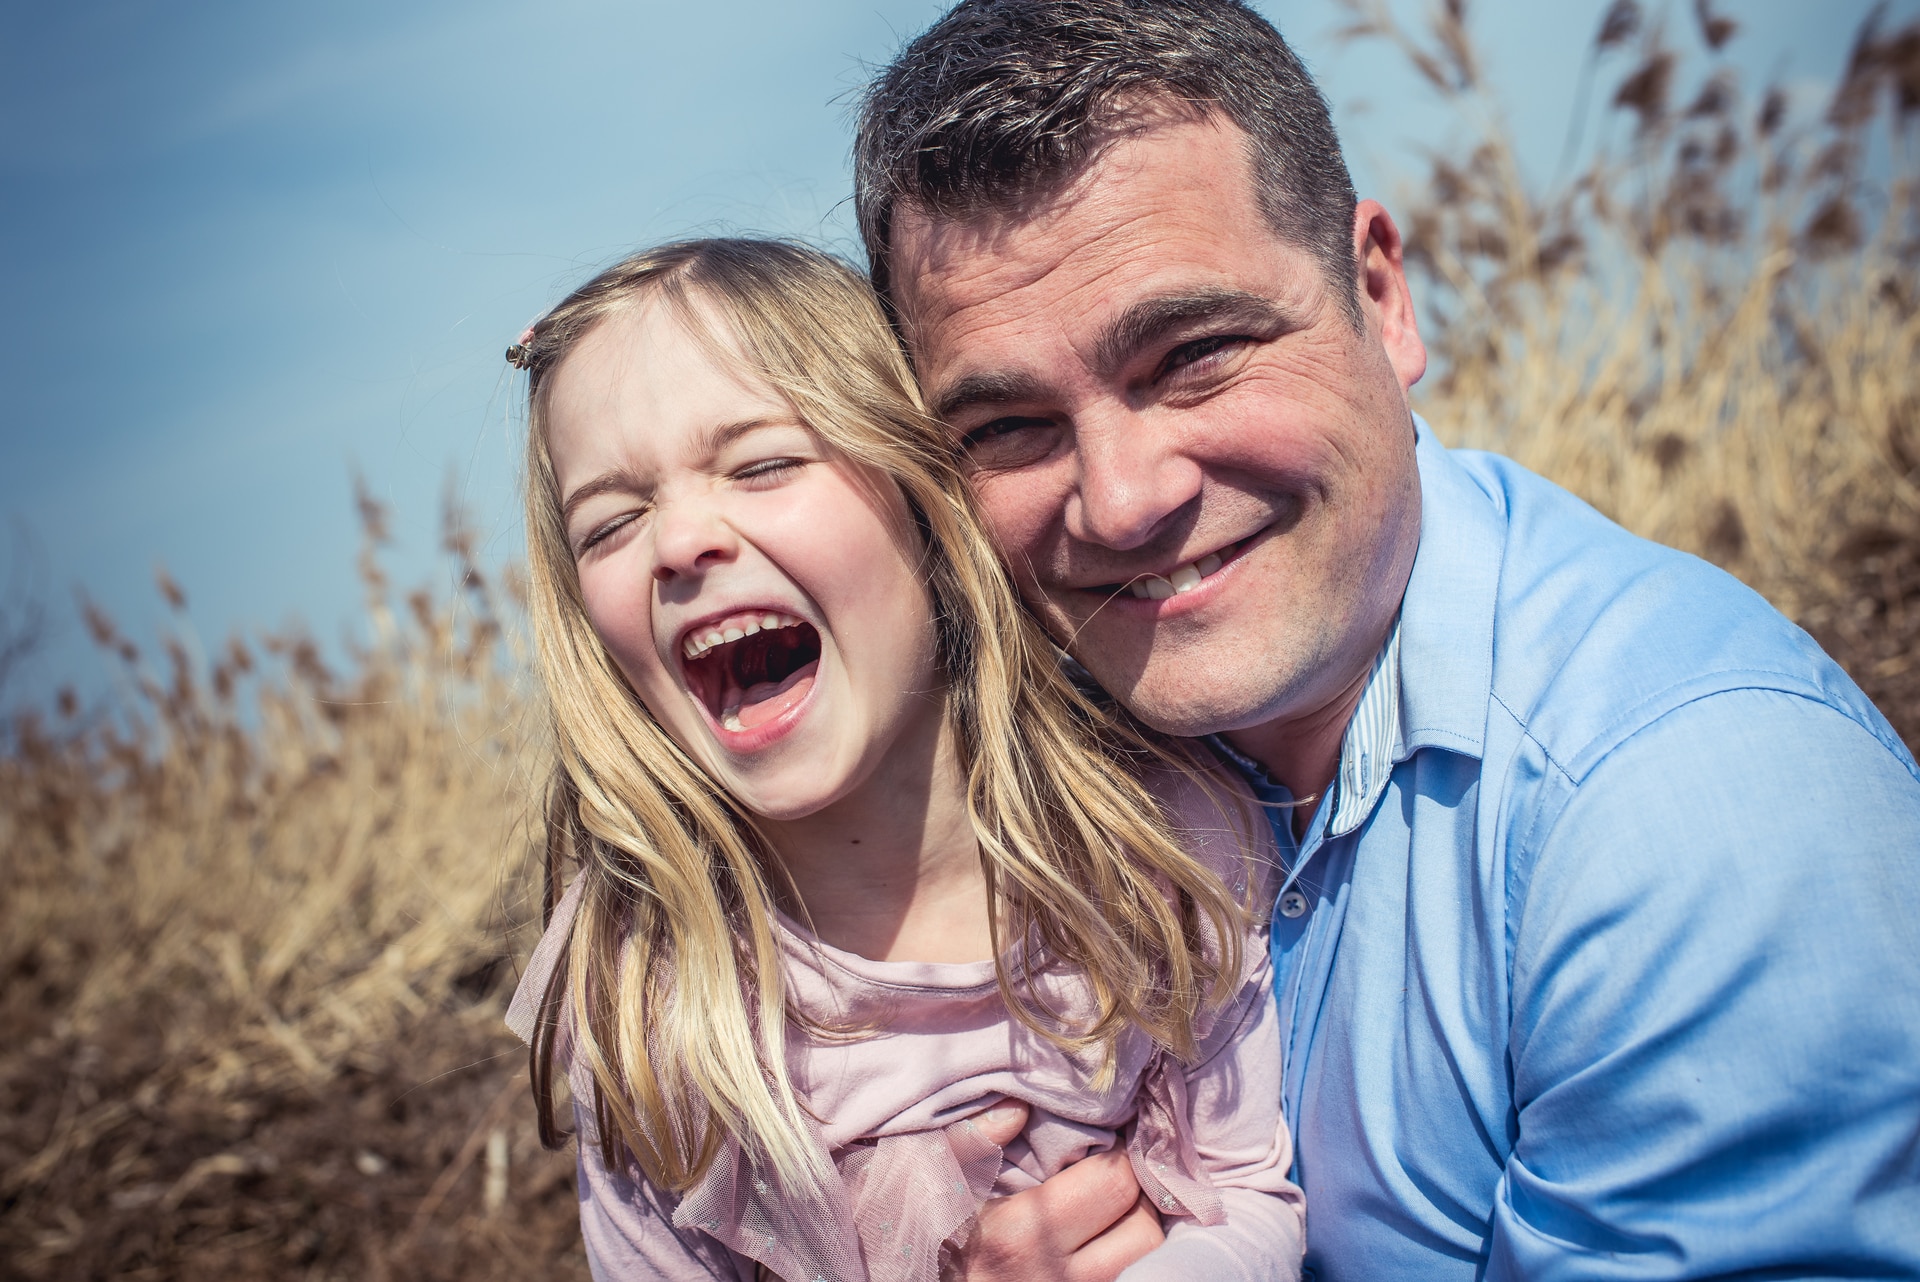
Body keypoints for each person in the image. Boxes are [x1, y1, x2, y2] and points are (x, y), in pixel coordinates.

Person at [851, 1, 1920, 1279]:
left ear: (1380, 296)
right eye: (1008, 427)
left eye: (1195, 355)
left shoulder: (1688, 818)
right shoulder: (974, 791)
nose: (1123, 500)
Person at [500, 237, 1306, 1281]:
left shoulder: (1159, 844)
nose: (680, 541)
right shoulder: (650, 1002)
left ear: (927, 503)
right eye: (610, 524)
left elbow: (1248, 1204)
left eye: (763, 464)